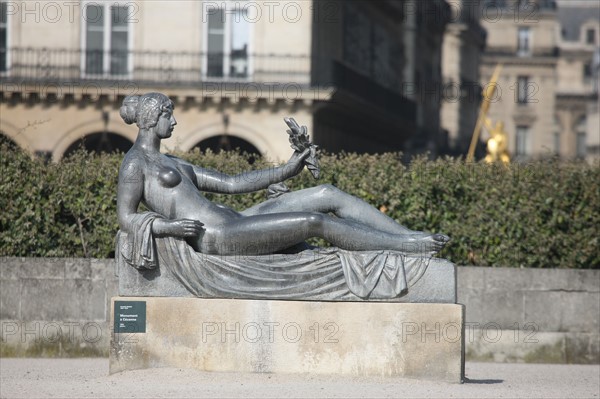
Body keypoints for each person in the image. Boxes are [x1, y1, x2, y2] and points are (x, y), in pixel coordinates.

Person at [117, 92, 449, 257]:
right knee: (312, 222)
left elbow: (232, 184)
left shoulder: (173, 163)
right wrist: (169, 226)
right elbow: (127, 218)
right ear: (151, 118)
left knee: (327, 193)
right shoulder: (135, 164)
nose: (173, 122)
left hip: (237, 219)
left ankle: (407, 234)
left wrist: (288, 168)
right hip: (217, 237)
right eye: (167, 115)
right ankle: (408, 246)